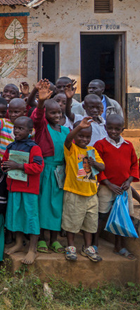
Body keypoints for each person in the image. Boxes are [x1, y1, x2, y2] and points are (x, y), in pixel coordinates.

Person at [31, 80, 69, 254]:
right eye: (52, 112)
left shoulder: (65, 131)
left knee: (57, 205)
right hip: (45, 171)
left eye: (59, 112)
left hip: (60, 172)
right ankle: (41, 239)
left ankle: (54, 239)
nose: (56, 115)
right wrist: (40, 102)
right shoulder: (42, 128)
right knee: (43, 204)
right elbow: (37, 118)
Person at [93, 114, 138, 260]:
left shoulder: (128, 145)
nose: (113, 131)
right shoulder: (100, 145)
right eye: (110, 128)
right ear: (105, 128)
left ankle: (119, 245)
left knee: (124, 216)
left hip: (124, 188)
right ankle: (94, 244)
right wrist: (108, 183)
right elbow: (98, 168)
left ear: (122, 129)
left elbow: (134, 165)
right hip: (107, 186)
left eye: (117, 129)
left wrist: (129, 181)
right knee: (101, 215)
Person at [62, 117, 105, 262]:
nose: (84, 139)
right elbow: (68, 140)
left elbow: (102, 166)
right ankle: (71, 246)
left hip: (91, 194)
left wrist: (95, 164)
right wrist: (79, 127)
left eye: (87, 137)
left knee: (90, 223)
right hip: (74, 193)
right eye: (81, 135)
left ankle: (87, 247)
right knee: (72, 222)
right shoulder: (71, 149)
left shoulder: (92, 150)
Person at [2, 116, 44, 265]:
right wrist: (5, 166)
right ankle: (19, 243)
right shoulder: (11, 147)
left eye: (21, 128)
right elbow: (5, 162)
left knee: (31, 218)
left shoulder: (34, 148)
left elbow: (38, 167)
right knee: (16, 216)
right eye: (15, 128)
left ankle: (32, 248)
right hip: (14, 187)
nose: (17, 131)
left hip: (29, 190)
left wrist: (19, 166)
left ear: (30, 131)